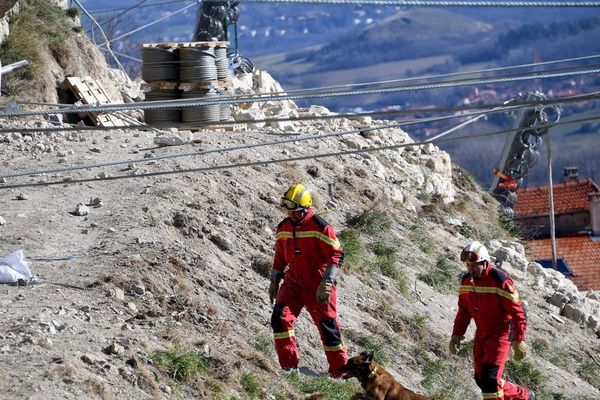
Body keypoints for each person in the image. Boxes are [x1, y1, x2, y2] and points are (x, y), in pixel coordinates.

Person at [268, 183, 348, 378]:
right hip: (293, 283)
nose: (291, 215)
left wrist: (327, 283)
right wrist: (274, 278)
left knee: (328, 328)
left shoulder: (321, 227)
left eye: (295, 212)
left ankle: (340, 373)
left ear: (305, 209)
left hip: (318, 285)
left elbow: (337, 255)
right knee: (279, 318)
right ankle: (289, 368)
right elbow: (280, 255)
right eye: (288, 211)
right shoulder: (283, 227)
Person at [449, 241, 533, 400]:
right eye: (468, 265)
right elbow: (464, 312)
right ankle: (525, 397)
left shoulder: (500, 280)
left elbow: (518, 311)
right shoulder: (467, 281)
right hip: (482, 334)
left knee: (490, 380)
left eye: (474, 265)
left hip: (501, 334)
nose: (470, 269)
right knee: (481, 379)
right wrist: (456, 335)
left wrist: (518, 339)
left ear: (484, 262)